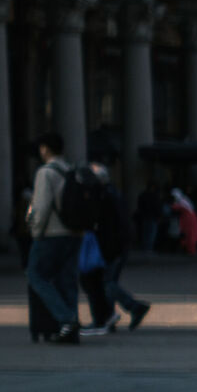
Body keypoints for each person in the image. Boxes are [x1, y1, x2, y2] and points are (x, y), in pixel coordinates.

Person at [79, 161, 150, 334]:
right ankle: (110, 318)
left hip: (113, 246)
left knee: (107, 283)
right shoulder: (112, 193)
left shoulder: (105, 196)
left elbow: (110, 225)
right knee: (107, 282)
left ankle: (133, 307)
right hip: (117, 245)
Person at [24, 135, 83, 343]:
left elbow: (41, 206)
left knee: (36, 275)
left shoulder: (46, 172)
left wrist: (35, 232)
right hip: (75, 233)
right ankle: (71, 324)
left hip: (52, 234)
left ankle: (67, 320)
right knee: (67, 280)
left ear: (45, 149)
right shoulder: (71, 170)